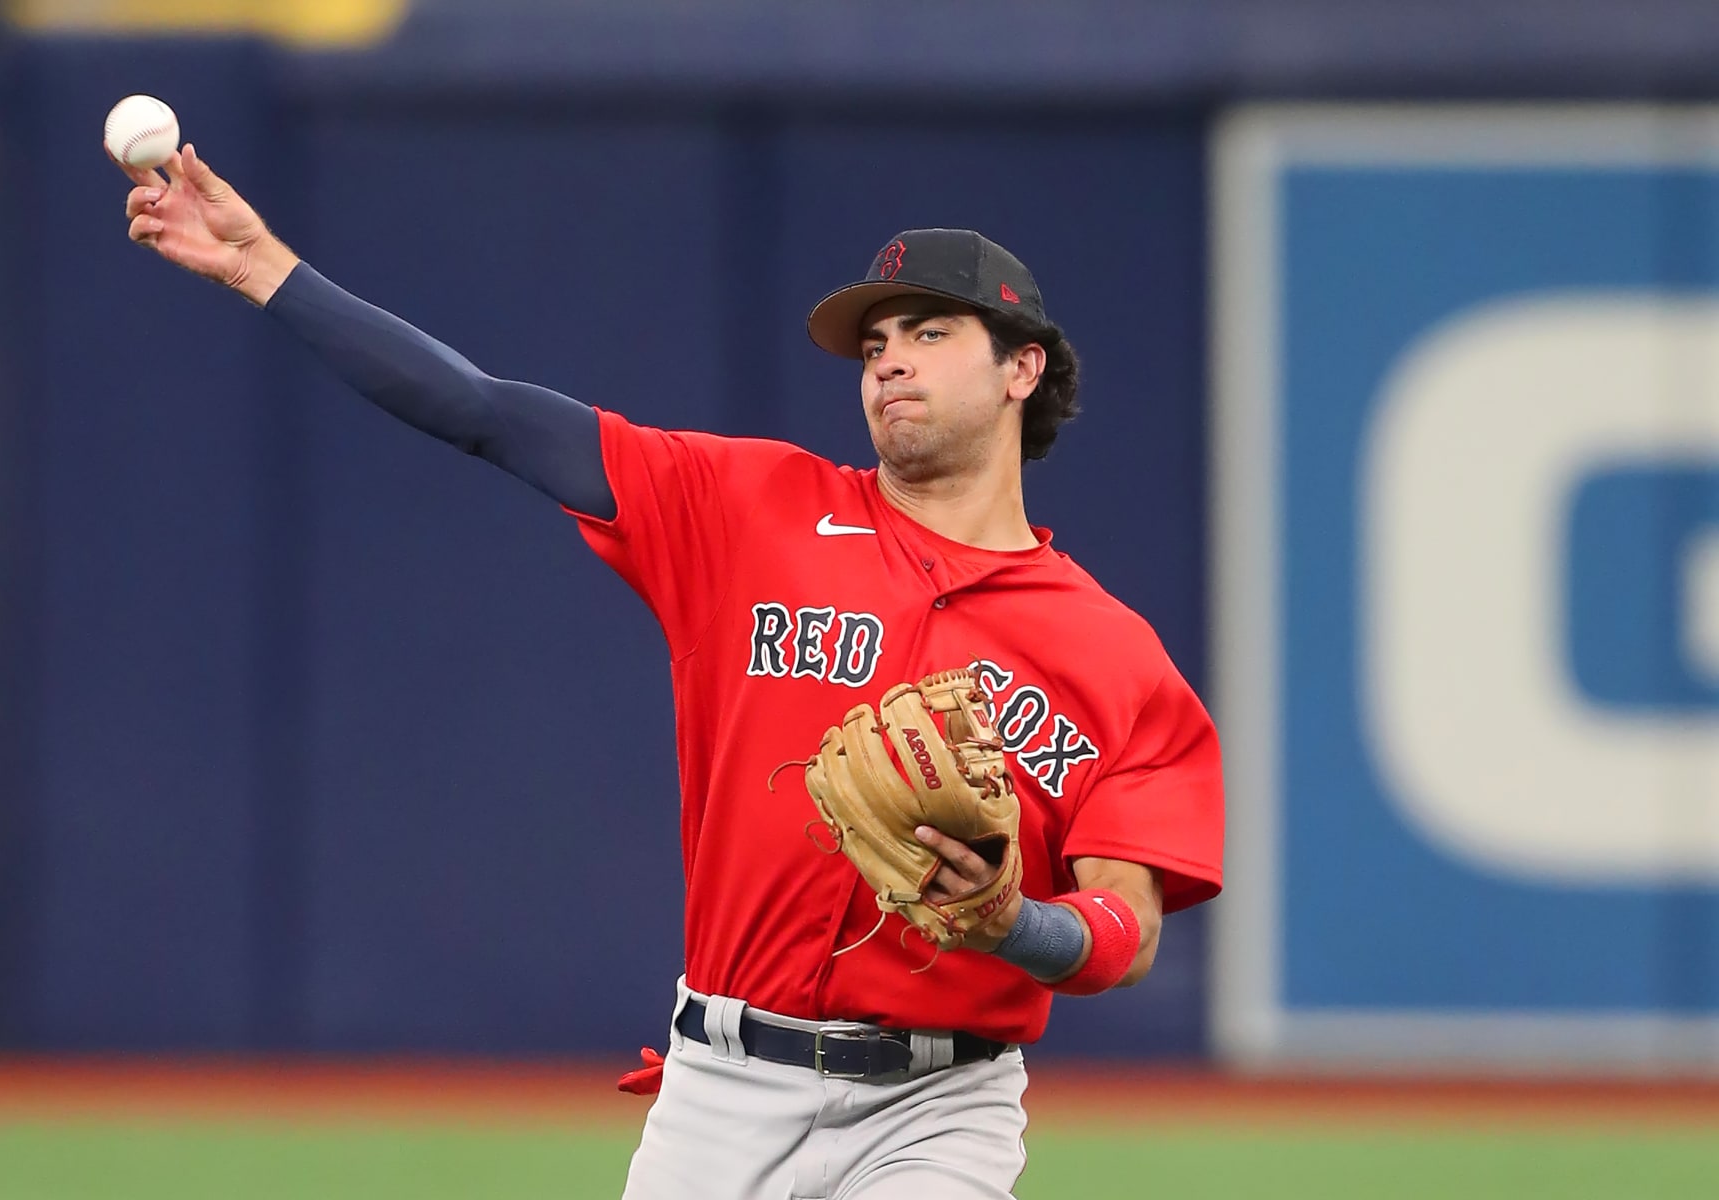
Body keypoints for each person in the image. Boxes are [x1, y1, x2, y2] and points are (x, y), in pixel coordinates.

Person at [115, 143, 1225, 1200]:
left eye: (928, 332)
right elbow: (488, 414)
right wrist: (264, 268)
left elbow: (1127, 926)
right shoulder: (742, 509)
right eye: (875, 340)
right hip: (723, 1091)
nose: (888, 358)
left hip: (941, 1104)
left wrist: (1015, 923)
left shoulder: (1112, 654)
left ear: (1023, 366)